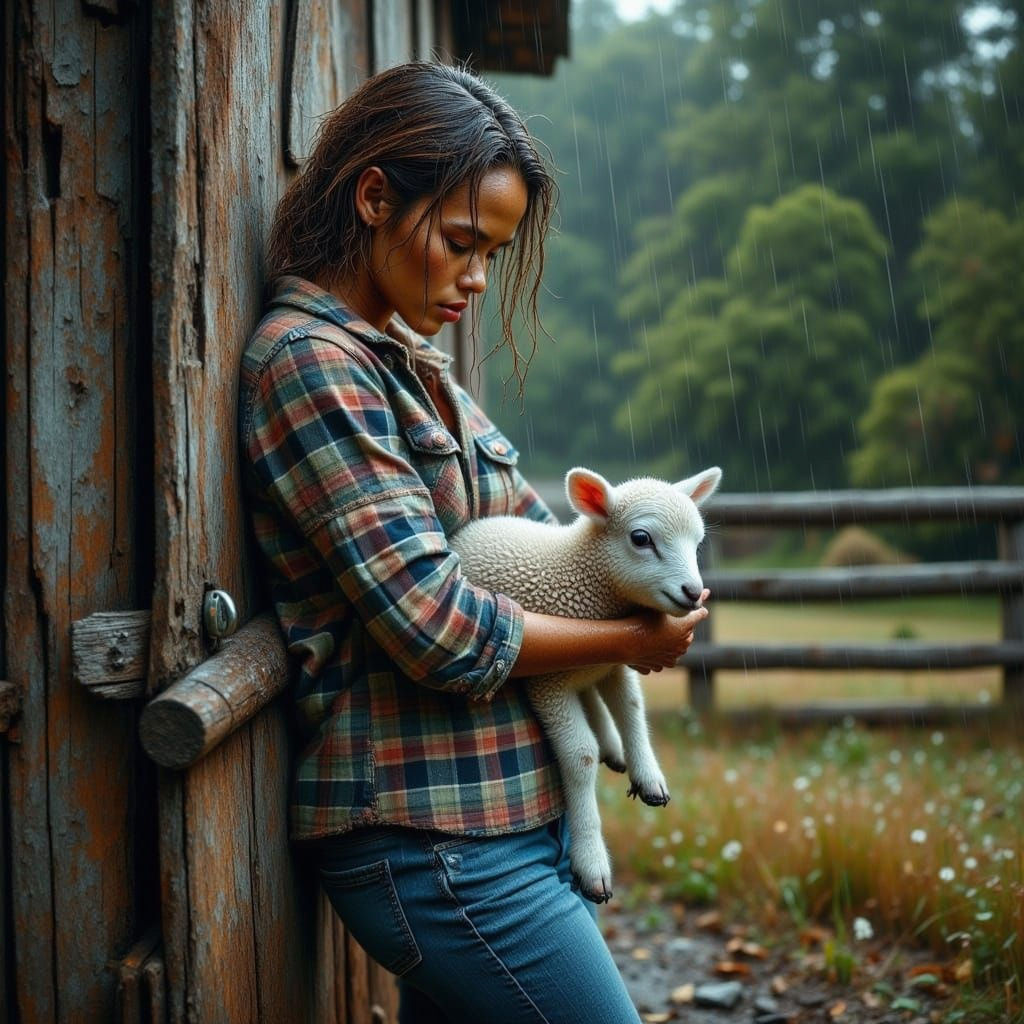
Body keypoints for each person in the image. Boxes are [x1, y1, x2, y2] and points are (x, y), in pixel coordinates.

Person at [239, 61, 708, 1024]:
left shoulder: (415, 367)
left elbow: (544, 545)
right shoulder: (311, 368)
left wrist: (644, 560)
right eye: (461, 242)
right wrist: (631, 644)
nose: (478, 277)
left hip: (499, 818)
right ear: (375, 197)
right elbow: (441, 627)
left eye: (492, 249)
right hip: (434, 840)